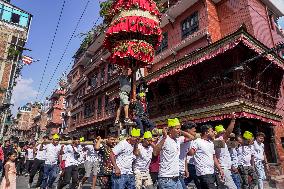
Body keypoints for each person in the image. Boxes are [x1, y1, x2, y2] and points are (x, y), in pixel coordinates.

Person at [153, 118, 195, 189]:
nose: (179, 131)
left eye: (179, 129)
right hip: (166, 178)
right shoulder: (164, 139)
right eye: (177, 129)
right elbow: (155, 153)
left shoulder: (178, 140)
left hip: (176, 178)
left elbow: (191, 137)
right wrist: (164, 137)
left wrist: (180, 130)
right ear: (170, 130)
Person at [188, 124, 224, 189]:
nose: (214, 132)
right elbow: (190, 153)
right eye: (212, 131)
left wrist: (220, 169)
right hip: (204, 173)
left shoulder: (211, 143)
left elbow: (214, 157)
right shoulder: (198, 141)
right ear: (206, 133)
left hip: (212, 172)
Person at [214, 118, 237, 189]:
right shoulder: (216, 141)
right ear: (217, 134)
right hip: (222, 168)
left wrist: (232, 165)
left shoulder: (224, 142)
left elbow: (237, 144)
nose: (223, 134)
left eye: (223, 132)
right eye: (222, 133)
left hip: (226, 168)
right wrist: (233, 121)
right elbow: (228, 134)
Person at [179, 122, 197, 189]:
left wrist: (186, 169)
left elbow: (186, 155)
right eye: (194, 131)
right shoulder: (180, 139)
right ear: (187, 131)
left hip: (181, 168)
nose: (195, 132)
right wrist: (180, 131)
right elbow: (191, 137)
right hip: (175, 169)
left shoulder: (191, 141)